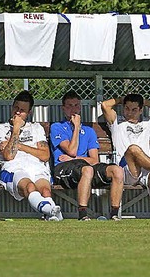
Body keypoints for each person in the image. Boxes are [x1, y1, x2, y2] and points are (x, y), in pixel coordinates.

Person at [50, 91, 125, 221]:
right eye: (69, 106)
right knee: (87, 169)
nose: (73, 109)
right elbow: (71, 150)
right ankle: (83, 214)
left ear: (80, 107)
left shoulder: (89, 131)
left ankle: (114, 214)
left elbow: (94, 159)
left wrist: (75, 159)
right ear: (63, 108)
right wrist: (77, 128)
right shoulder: (57, 127)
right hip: (63, 168)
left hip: (84, 166)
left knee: (117, 170)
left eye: (76, 105)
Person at [0, 90, 63, 221]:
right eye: (16, 108)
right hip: (14, 169)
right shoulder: (0, 129)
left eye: (22, 110)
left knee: (46, 192)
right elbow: (8, 155)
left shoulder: (36, 128)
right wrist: (16, 129)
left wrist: (20, 146)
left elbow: (45, 155)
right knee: (30, 187)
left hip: (37, 167)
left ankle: (51, 214)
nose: (18, 112)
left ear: (29, 112)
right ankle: (52, 212)